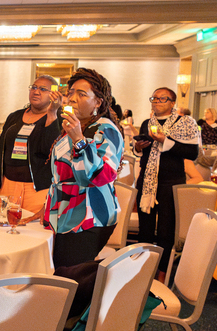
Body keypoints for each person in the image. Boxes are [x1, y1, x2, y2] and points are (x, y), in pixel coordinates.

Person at [42, 68, 124, 267]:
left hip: (88, 216)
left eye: (81, 94)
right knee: (57, 271)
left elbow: (100, 177)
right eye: (70, 93)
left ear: (98, 102)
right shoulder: (73, 127)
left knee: (69, 276)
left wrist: (79, 140)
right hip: (64, 213)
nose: (72, 98)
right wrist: (48, 207)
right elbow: (60, 175)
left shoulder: (105, 130)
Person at [134, 87, 200, 272]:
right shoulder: (147, 123)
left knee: (165, 231)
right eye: (154, 98)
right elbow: (143, 153)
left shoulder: (185, 122)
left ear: (173, 103)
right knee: (145, 230)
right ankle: (143, 270)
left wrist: (165, 140)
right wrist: (138, 147)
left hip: (171, 182)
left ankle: (162, 272)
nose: (156, 101)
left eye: (162, 99)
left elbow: (192, 153)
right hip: (147, 182)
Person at [0, 76, 62, 212]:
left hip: (37, 188)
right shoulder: (14, 117)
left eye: (42, 89)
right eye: (34, 87)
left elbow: (51, 151)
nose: (36, 92)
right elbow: (1, 149)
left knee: (32, 224)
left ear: (53, 94)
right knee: (4, 221)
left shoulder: (58, 119)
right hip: (8, 184)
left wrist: (52, 113)